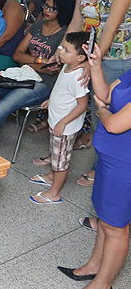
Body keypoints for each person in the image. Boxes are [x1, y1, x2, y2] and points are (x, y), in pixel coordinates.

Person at [55, 0, 131, 181]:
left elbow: (109, 31)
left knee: (104, 112)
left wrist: (92, 63)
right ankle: (59, 155)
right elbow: (76, 21)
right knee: (72, 101)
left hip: (114, 59)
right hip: (85, 53)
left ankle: (100, 169)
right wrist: (62, 49)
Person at [58, 51, 131, 288]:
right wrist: (97, 66)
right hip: (110, 160)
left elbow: (114, 124)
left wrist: (102, 111)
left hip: (125, 165)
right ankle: (94, 266)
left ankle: (103, 284)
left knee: (116, 226)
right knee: (105, 218)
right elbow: (105, 94)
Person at [0, 0, 75, 132]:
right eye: (46, 5)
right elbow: (17, 55)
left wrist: (27, 61)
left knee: (1, 108)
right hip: (22, 73)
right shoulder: (37, 26)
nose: (47, 11)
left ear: (63, 10)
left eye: (53, 9)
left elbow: (51, 71)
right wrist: (40, 61)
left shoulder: (64, 34)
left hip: (44, 83)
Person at [28, 32, 90, 204]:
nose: (61, 51)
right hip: (57, 121)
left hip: (65, 126)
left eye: (66, 50)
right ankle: (50, 177)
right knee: (56, 155)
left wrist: (63, 122)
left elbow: (82, 105)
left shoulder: (78, 77)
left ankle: (54, 193)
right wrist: (52, 100)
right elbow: (63, 90)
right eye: (62, 47)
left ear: (80, 58)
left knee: (61, 162)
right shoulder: (67, 66)